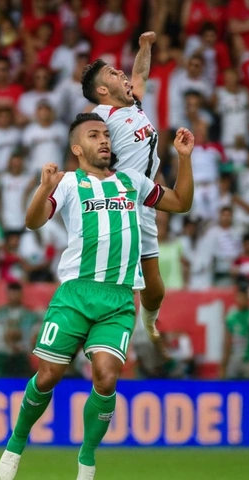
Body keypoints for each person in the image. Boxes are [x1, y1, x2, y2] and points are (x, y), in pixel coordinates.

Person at [0, 114, 194, 480]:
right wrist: (44, 186)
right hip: (75, 293)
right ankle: (16, 442)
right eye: (94, 135)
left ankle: (86, 460)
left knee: (105, 378)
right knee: (47, 376)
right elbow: (33, 221)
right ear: (77, 148)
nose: (104, 140)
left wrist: (184, 158)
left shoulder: (132, 181)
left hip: (118, 298)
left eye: (106, 134)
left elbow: (181, 202)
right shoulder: (70, 183)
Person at [84, 31, 166, 344]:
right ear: (103, 90)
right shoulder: (100, 116)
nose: (121, 72)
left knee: (154, 286)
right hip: (118, 202)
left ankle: (149, 321)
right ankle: (91, 328)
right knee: (111, 276)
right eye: (111, 72)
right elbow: (86, 153)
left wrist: (145, 46)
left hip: (144, 204)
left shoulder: (133, 105)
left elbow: (140, 73)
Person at [0, 282, 39, 377]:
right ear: (7, 294)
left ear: (21, 294)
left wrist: (23, 345)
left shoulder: (30, 316)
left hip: (22, 355)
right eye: (12, 293)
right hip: (3, 354)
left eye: (16, 293)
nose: (14, 296)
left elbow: (34, 336)